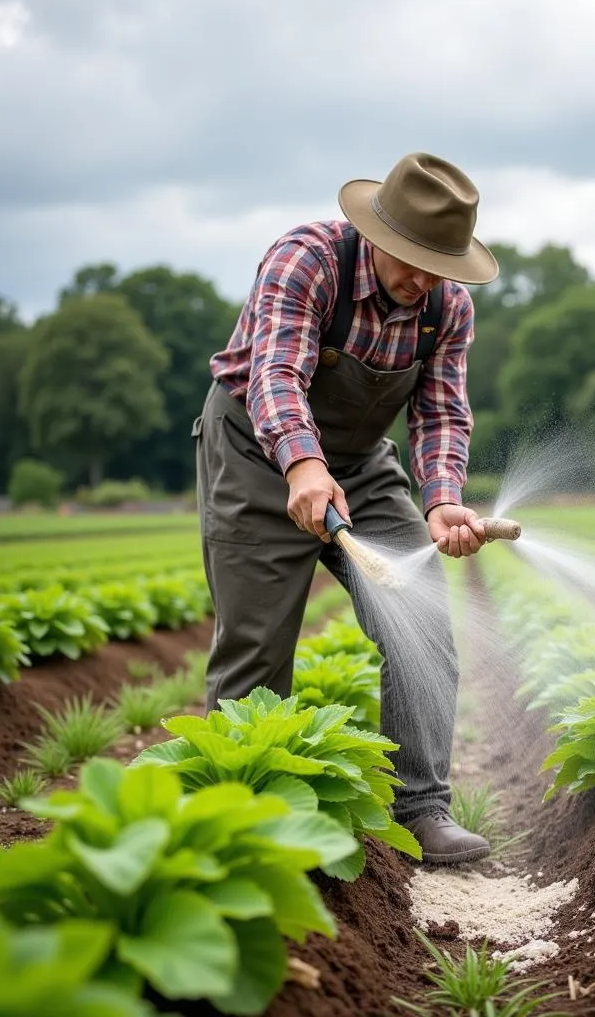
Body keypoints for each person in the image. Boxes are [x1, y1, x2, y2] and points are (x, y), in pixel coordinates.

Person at [192, 152, 500, 864]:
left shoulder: (446, 307)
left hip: (361, 466)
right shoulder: (308, 261)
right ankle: (240, 820)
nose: (420, 279)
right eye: (410, 259)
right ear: (376, 233)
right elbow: (275, 373)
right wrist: (301, 465)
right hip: (256, 453)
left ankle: (421, 808)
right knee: (256, 645)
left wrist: (443, 499)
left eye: (437, 263)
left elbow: (443, 412)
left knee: (420, 618)